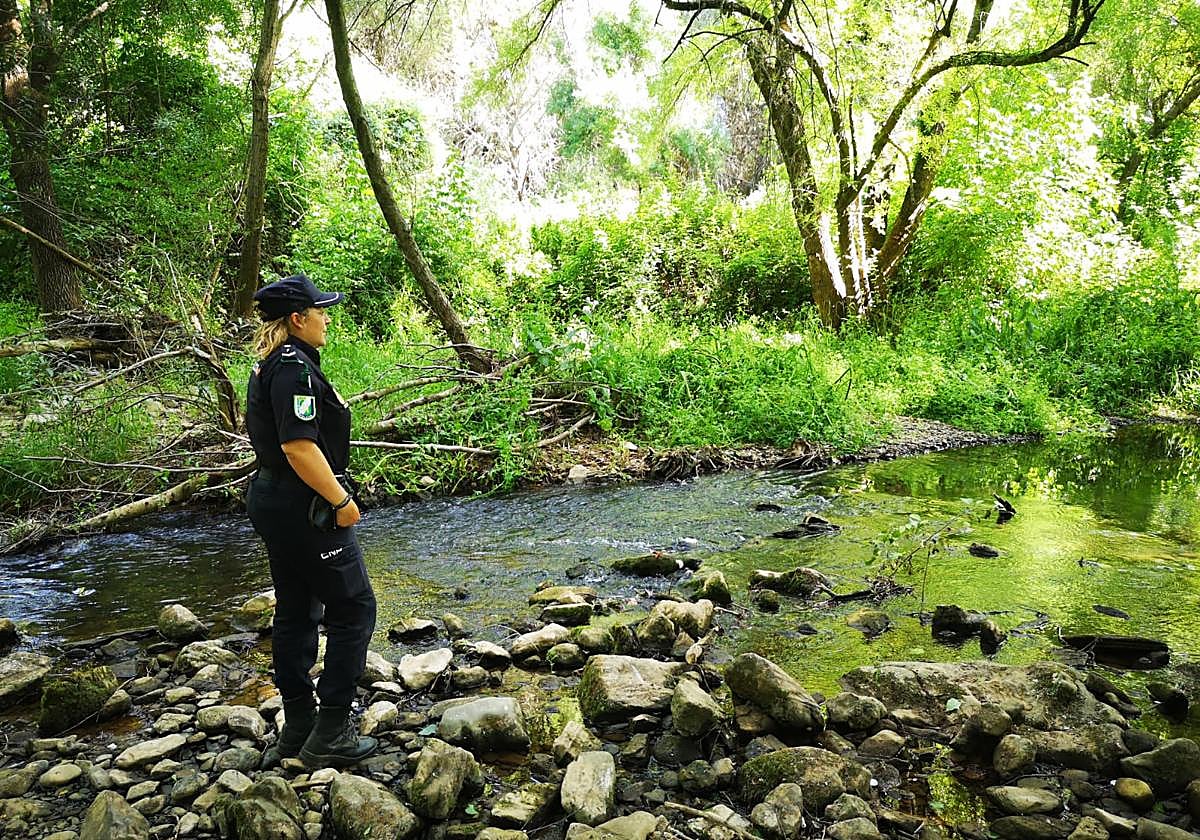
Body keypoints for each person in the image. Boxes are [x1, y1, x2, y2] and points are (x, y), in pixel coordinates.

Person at [244, 274, 378, 768]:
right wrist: (341, 500)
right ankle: (331, 731)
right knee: (354, 609)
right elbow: (298, 446)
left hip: (276, 502)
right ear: (298, 319)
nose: (326, 319)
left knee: (297, 609)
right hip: (305, 505)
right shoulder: (293, 370)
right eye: (320, 311)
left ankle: (298, 724)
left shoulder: (272, 365)